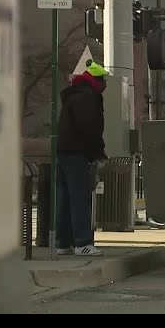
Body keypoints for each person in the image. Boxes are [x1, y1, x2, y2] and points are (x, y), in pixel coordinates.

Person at [55, 59, 109, 256]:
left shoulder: (74, 96)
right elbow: (90, 129)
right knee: (79, 198)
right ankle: (82, 243)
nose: (105, 86)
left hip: (64, 152)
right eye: (103, 81)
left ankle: (63, 242)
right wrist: (98, 151)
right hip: (77, 153)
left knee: (64, 198)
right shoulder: (87, 98)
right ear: (96, 81)